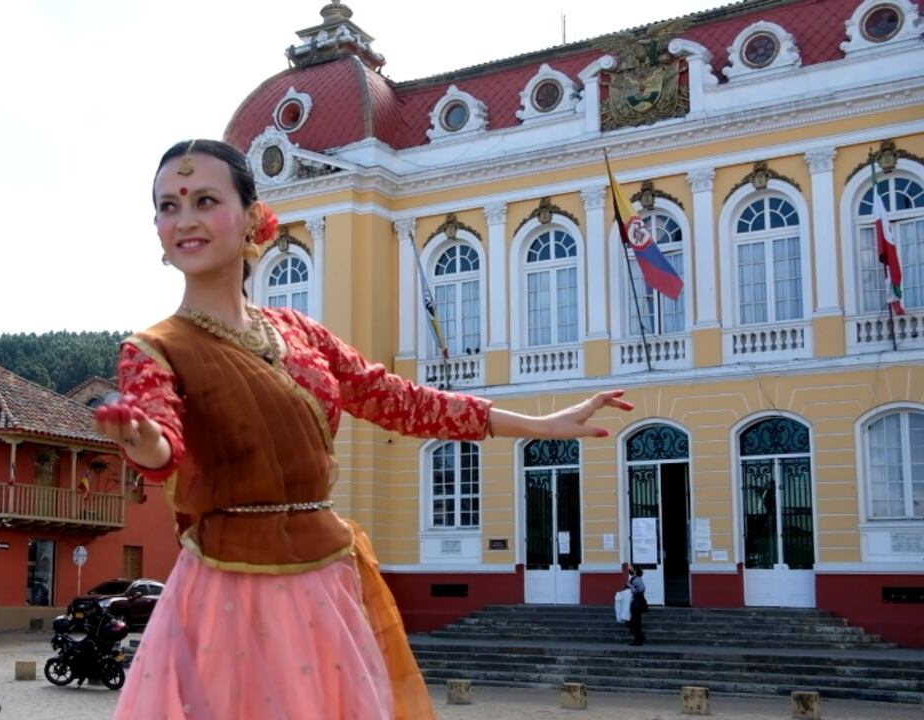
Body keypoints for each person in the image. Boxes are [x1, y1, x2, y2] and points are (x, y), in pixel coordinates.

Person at [93, 138, 634, 720]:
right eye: (168, 207)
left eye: (204, 199)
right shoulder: (153, 348)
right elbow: (162, 441)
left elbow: (396, 400)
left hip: (324, 578)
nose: (186, 220)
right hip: (231, 586)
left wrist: (540, 423)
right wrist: (143, 441)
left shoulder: (298, 332)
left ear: (252, 217)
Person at [627, 567, 648, 646]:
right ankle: (640, 637)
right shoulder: (633, 578)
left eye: (631, 567)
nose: (629, 568)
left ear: (635, 570)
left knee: (634, 621)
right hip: (635, 603)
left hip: (637, 603)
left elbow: (642, 588)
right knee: (634, 621)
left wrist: (631, 587)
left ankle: (639, 639)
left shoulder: (637, 579)